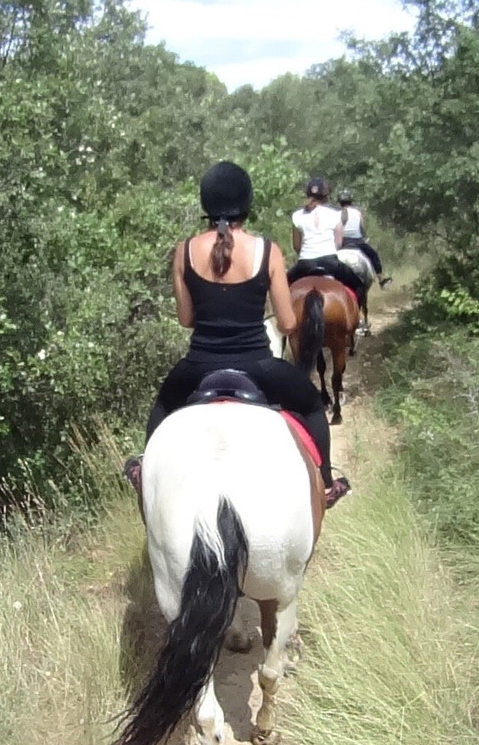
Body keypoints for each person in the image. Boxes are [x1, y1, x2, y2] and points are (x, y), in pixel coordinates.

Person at [123, 162, 351, 508]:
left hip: (199, 364)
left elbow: (186, 319)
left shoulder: (184, 250)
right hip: (257, 364)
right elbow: (289, 325)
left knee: (163, 405)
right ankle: (325, 485)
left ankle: (144, 475)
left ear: (206, 205)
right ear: (247, 204)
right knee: (311, 406)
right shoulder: (268, 250)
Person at [285, 178, 369, 307]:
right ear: (325, 196)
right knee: (358, 284)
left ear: (307, 194)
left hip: (305, 264)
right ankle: (358, 316)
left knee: (282, 286)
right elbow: (339, 243)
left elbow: (297, 246)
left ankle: (280, 318)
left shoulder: (297, 215)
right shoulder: (336, 214)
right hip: (330, 262)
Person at [338, 189, 391, 288]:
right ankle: (381, 280)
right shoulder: (357, 212)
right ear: (351, 200)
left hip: (342, 243)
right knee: (374, 255)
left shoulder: (336, 213)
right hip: (357, 242)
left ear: (339, 202)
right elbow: (362, 227)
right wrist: (364, 236)